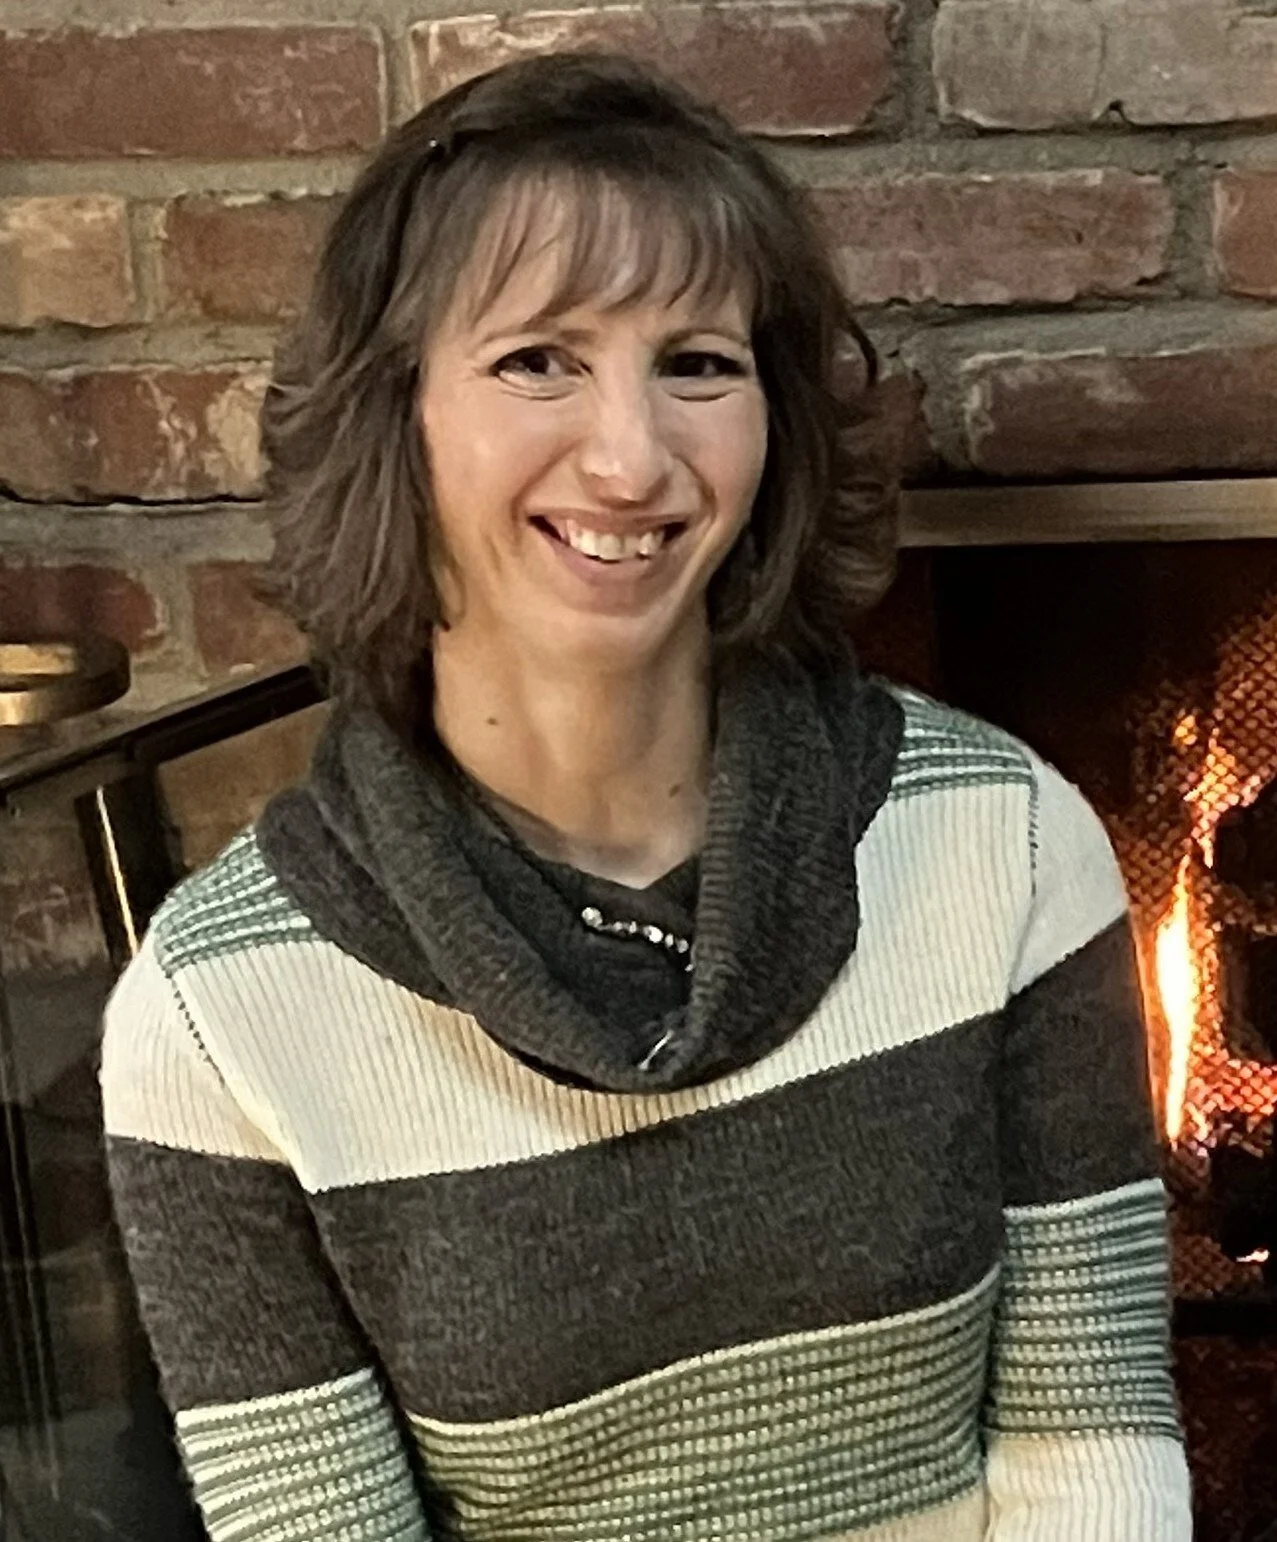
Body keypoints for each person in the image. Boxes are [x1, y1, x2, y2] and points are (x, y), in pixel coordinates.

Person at [101, 50, 1192, 1542]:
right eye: (539, 357)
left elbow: (1096, 1438)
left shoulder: (1004, 840)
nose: (630, 459)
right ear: (395, 414)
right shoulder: (218, 1014)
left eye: (698, 362)